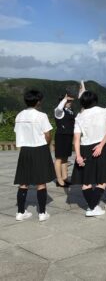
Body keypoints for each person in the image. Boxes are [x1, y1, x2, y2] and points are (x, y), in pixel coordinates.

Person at [13, 90, 55, 222]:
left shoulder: (19, 116)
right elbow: (48, 134)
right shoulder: (41, 116)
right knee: (41, 182)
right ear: (38, 102)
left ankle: (20, 212)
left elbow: (17, 132)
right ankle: (42, 213)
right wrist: (46, 144)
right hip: (39, 149)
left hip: (25, 150)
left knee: (23, 182)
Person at [71, 90, 106, 216]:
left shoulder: (79, 116)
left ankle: (92, 207)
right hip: (101, 146)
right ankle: (92, 207)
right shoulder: (103, 111)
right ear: (95, 100)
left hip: (84, 148)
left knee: (86, 181)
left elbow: (76, 138)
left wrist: (78, 155)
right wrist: (101, 145)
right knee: (103, 178)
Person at [53, 92, 76, 187]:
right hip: (61, 136)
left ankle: (65, 177)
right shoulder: (59, 111)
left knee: (65, 157)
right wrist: (64, 99)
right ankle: (59, 179)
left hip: (68, 136)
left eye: (70, 100)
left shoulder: (70, 111)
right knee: (59, 158)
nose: (70, 102)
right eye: (68, 100)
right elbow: (59, 108)